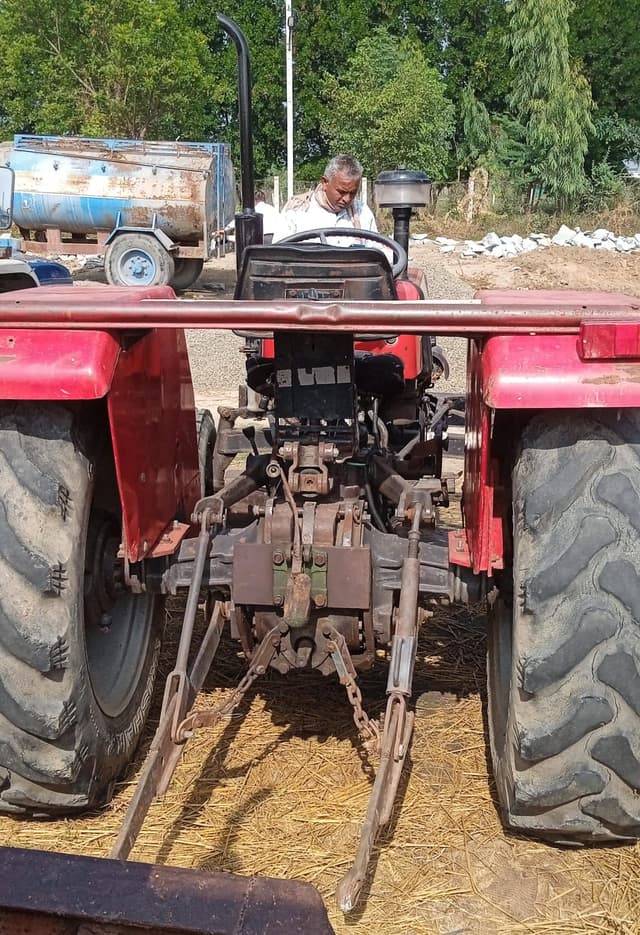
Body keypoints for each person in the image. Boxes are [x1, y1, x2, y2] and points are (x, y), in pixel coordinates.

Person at [272, 154, 377, 244]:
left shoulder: (362, 212)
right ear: (325, 182)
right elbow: (278, 255)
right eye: (342, 192)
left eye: (353, 193)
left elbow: (377, 252)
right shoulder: (297, 211)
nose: (347, 199)